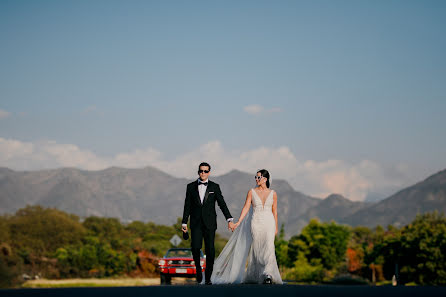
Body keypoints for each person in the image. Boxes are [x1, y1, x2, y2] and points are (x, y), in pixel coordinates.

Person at [211, 169, 283, 284]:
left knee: (269, 246)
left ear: (265, 179)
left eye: (258, 177)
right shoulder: (251, 191)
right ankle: (257, 274)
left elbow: (275, 211)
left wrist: (276, 227)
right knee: (257, 248)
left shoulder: (273, 193)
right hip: (256, 222)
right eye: (255, 177)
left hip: (269, 222)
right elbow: (245, 208)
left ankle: (268, 273)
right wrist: (238, 222)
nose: (256, 179)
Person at [181, 162, 235, 285]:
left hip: (210, 223)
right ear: (198, 172)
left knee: (210, 250)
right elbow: (187, 206)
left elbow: (222, 203)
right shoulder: (190, 187)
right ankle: (198, 269)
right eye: (201, 171)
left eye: (205, 171)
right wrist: (184, 222)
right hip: (195, 223)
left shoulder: (214, 187)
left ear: (209, 172)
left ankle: (208, 277)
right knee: (195, 247)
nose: (203, 173)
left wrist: (229, 219)